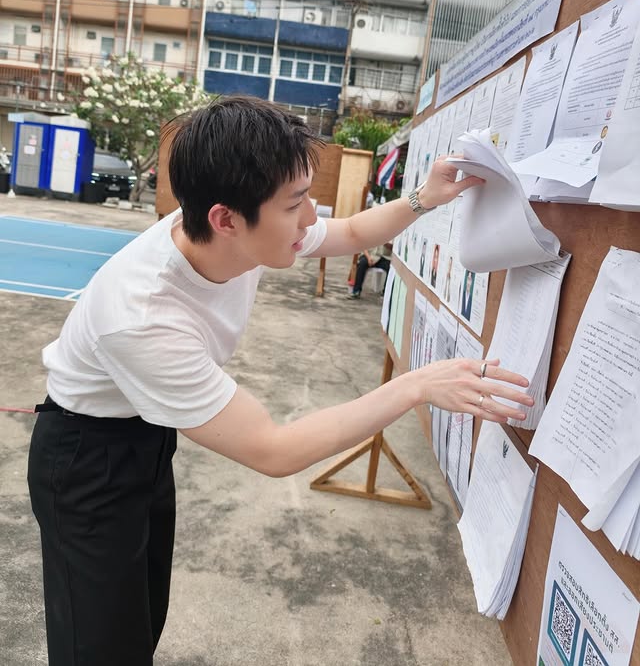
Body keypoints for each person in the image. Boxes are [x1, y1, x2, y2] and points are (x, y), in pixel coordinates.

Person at [27, 96, 534, 666]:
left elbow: (350, 231)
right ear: (225, 219)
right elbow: (274, 450)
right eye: (296, 204)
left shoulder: (239, 229)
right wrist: (414, 386)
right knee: (98, 648)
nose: (311, 218)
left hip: (145, 435)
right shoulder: (144, 316)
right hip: (86, 459)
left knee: (141, 618)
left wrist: (425, 197)